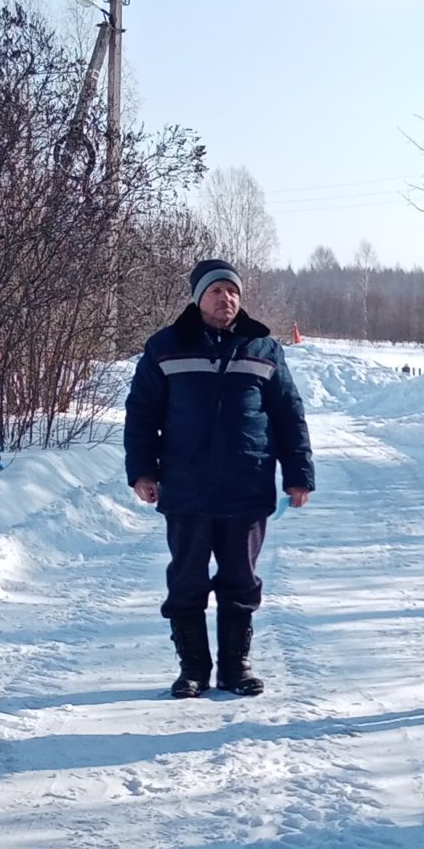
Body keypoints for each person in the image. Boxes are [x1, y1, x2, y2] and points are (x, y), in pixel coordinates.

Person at [126, 258, 316, 698]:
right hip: (186, 488)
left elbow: (289, 414)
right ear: (198, 297)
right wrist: (142, 471)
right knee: (187, 580)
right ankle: (193, 668)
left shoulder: (263, 347)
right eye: (216, 290)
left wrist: (298, 473)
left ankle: (236, 666)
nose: (225, 298)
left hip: (246, 487)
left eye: (232, 290)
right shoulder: (166, 347)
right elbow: (141, 415)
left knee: (241, 581)